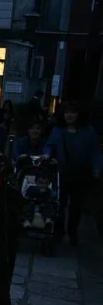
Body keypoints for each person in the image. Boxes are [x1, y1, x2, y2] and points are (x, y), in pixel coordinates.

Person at [45, 102, 103, 245]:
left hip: (81, 173)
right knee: (59, 203)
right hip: (61, 172)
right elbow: (49, 145)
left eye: (72, 112)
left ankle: (72, 232)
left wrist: (96, 168)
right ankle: (58, 232)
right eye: (67, 112)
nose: (69, 115)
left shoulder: (88, 131)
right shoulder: (58, 130)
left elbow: (95, 151)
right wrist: (47, 156)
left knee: (76, 205)